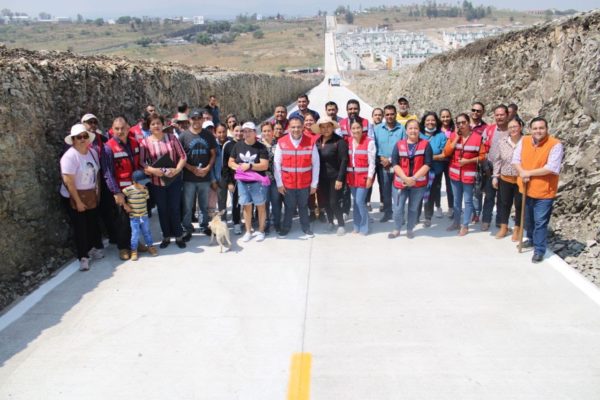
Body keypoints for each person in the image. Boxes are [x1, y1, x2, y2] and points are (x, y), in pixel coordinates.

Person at [512, 117, 564, 263]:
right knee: (529, 219)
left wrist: (528, 173)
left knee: (540, 221)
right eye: (535, 128)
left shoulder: (555, 144)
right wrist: (522, 172)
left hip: (544, 192)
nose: (538, 131)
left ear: (546, 129)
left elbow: (551, 167)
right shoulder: (525, 140)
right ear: (530, 129)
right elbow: (516, 160)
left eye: (541, 128)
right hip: (527, 189)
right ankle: (531, 238)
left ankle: (539, 250)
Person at [139, 113, 187, 249]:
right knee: (162, 209)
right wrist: (153, 171)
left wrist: (177, 170)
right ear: (149, 126)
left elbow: (182, 156)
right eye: (153, 124)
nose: (156, 126)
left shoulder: (172, 138)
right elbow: (142, 162)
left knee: (175, 208)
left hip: (174, 180)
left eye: (158, 123)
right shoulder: (144, 142)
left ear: (162, 124)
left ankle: (178, 235)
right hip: (157, 181)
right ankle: (166, 236)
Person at [60, 124, 103, 271]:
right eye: (79, 137)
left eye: (85, 136)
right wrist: (78, 201)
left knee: (91, 223)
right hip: (74, 195)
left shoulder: (92, 153)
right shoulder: (69, 157)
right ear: (73, 139)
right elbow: (68, 181)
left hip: (89, 193)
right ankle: (83, 257)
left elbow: (96, 172)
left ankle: (91, 248)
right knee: (80, 227)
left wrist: (97, 192)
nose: (83, 139)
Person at [102, 117, 145, 261]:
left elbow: (140, 164)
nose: (120, 131)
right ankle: (123, 248)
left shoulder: (135, 143)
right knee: (122, 221)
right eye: (117, 129)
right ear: (112, 129)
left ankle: (135, 244)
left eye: (122, 128)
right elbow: (107, 173)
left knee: (136, 217)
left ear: (128, 128)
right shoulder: (108, 147)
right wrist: (116, 192)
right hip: (121, 190)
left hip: (136, 188)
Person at [274, 116, 320, 238]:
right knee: (289, 207)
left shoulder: (310, 142)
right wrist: (279, 183)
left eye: (299, 127)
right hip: (288, 183)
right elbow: (276, 164)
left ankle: (306, 228)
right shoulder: (282, 142)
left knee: (303, 206)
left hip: (304, 183)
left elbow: (316, 164)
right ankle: (286, 227)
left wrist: (314, 184)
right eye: (293, 127)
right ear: (288, 128)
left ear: (303, 127)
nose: (296, 129)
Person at [442, 113, 486, 236]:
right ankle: (456, 222)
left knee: (467, 201)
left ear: (468, 123)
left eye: (463, 122)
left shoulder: (477, 138)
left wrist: (469, 161)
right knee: (456, 200)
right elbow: (446, 152)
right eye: (459, 123)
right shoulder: (453, 136)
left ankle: (465, 225)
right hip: (455, 174)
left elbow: (482, 156)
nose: (461, 125)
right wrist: (456, 139)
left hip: (469, 175)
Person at [388, 119, 433, 239]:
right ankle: (397, 229)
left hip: (418, 184)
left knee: (413, 208)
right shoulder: (399, 144)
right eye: (410, 128)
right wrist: (404, 178)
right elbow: (395, 163)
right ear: (406, 130)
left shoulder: (426, 144)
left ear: (419, 130)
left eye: (416, 128)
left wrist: (413, 178)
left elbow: (428, 164)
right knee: (398, 208)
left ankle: (410, 229)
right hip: (400, 183)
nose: (413, 130)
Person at [228, 122, 270, 242]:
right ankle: (248, 231)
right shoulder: (238, 146)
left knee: (261, 206)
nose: (246, 133)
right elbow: (230, 162)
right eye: (244, 131)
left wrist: (249, 166)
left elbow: (264, 165)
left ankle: (261, 231)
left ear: (254, 132)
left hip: (257, 183)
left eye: (249, 131)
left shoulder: (261, 147)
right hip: (242, 182)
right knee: (246, 207)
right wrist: (238, 167)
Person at [179, 109, 217, 241]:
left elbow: (213, 154)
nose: (196, 121)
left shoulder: (208, 135)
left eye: (198, 118)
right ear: (189, 120)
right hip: (189, 178)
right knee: (188, 205)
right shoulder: (183, 136)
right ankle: (187, 228)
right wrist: (191, 168)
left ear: (202, 119)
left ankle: (204, 225)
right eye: (193, 119)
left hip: (204, 177)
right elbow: (180, 157)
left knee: (203, 205)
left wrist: (207, 168)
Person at [82, 113, 118, 245]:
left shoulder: (102, 139)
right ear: (83, 124)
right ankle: (95, 242)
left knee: (107, 208)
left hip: (103, 177)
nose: (92, 125)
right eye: (89, 122)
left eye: (94, 122)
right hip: (87, 180)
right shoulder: (80, 139)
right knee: (91, 211)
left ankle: (113, 235)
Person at [477, 105, 510, 231]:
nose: (499, 117)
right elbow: (482, 147)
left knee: (503, 197)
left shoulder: (512, 130)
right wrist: (484, 163)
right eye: (497, 115)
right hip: (490, 168)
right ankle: (486, 220)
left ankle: (500, 222)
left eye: (502, 114)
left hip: (507, 169)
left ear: (507, 115)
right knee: (489, 196)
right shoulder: (489, 130)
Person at [490, 118, 524, 240]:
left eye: (515, 126)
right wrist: (495, 176)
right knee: (504, 204)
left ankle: (517, 229)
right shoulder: (502, 141)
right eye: (510, 127)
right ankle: (503, 227)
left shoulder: (527, 141)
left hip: (521, 178)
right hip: (505, 177)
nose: (513, 129)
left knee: (519, 204)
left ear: (520, 127)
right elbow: (497, 160)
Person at [314, 117, 348, 235]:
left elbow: (344, 161)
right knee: (326, 201)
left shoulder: (339, 142)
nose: (325, 129)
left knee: (334, 202)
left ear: (332, 127)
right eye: (322, 127)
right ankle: (330, 222)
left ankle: (341, 223)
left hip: (335, 177)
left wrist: (340, 179)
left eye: (328, 126)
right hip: (322, 177)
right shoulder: (317, 142)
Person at [374, 104, 406, 222]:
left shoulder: (402, 129)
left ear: (395, 114)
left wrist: (391, 160)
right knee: (385, 190)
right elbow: (374, 146)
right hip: (383, 166)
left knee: (399, 191)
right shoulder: (377, 129)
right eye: (387, 114)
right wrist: (381, 158)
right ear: (384, 115)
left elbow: (403, 146)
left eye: (392, 114)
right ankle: (388, 213)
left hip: (398, 165)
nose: (389, 116)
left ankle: (399, 215)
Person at [347, 118, 376, 235]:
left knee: (359, 201)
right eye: (353, 128)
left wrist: (370, 177)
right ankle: (356, 225)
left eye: (358, 127)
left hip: (363, 177)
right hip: (351, 177)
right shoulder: (348, 142)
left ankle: (364, 226)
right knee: (356, 202)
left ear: (362, 128)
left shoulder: (369, 142)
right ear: (350, 130)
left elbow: (372, 162)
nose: (356, 130)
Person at [122, 171, 158, 261]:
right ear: (134, 182)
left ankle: (150, 246)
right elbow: (121, 196)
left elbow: (146, 199)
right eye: (141, 183)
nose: (143, 184)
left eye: (144, 182)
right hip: (134, 218)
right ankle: (134, 250)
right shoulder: (128, 190)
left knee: (147, 232)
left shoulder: (145, 190)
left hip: (144, 216)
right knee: (135, 235)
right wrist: (125, 205)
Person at [420, 112, 448, 226]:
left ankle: (428, 217)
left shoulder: (441, 135)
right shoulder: (419, 134)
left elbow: (443, 154)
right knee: (418, 193)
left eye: (433, 120)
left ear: (437, 122)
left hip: (435, 171)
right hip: (420, 170)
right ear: (424, 122)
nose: (430, 122)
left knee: (431, 193)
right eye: (428, 120)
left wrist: (429, 158)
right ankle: (415, 215)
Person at [260, 122, 282, 233]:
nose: (267, 133)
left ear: (273, 131)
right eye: (264, 131)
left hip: (275, 179)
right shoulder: (258, 145)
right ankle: (266, 223)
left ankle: (277, 223)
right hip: (262, 180)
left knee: (276, 202)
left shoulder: (278, 144)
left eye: (269, 130)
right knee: (264, 203)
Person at [222, 124, 243, 234]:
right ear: (232, 131)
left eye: (241, 131)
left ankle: (248, 220)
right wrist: (229, 182)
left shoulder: (246, 143)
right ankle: (236, 223)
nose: (239, 133)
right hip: (234, 179)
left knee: (247, 201)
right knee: (236, 202)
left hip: (247, 178)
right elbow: (225, 165)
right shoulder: (228, 145)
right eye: (236, 131)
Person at [439, 109, 455, 218]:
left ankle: (451, 207)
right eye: (443, 117)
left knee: (450, 185)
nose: (445, 119)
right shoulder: (436, 130)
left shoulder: (454, 129)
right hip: (438, 161)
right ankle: (438, 206)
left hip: (451, 160)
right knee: (436, 184)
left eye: (447, 116)